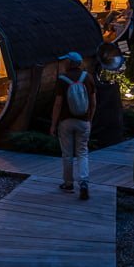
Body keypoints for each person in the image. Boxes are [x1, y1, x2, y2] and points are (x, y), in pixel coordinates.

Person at [49, 52, 96, 200]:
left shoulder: (62, 79)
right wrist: (90, 119)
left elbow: (58, 104)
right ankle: (83, 183)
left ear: (70, 63)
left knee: (67, 154)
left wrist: (53, 124)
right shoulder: (88, 78)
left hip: (66, 122)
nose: (63, 63)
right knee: (82, 152)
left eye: (65, 61)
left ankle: (68, 184)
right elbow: (94, 102)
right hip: (83, 121)